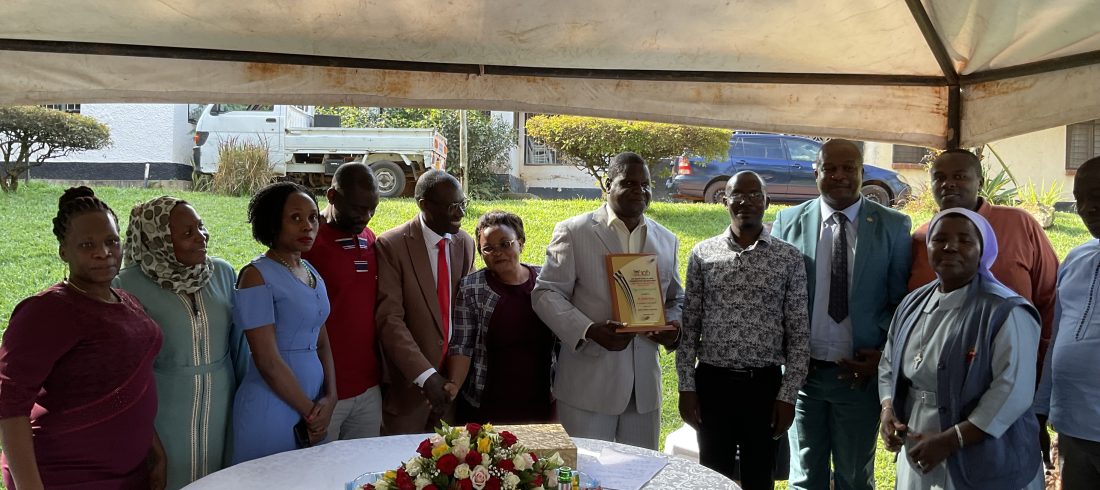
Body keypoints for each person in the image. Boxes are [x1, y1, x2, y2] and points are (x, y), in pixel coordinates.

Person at [0, 186, 165, 488]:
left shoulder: (127, 301)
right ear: (64, 251)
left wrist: (155, 450)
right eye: (87, 245)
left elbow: (134, 381)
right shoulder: (46, 311)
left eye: (111, 241)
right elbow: (9, 406)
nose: (104, 252)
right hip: (66, 475)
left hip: (130, 473)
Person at [770, 139, 911, 490]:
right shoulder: (787, 222)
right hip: (805, 377)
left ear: (862, 172)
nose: (839, 176)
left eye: (849, 168)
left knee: (855, 477)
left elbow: (899, 302)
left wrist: (881, 354)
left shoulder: (893, 226)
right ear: (815, 173)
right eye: (829, 168)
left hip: (858, 378)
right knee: (805, 478)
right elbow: (774, 297)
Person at [879, 207, 1043, 489]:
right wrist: (887, 408)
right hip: (917, 441)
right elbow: (889, 363)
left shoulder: (1005, 311)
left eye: (965, 240)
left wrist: (951, 440)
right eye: (939, 239)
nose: (950, 247)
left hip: (983, 452)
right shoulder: (912, 304)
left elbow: (1012, 390)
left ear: (982, 250)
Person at [532, 152, 684, 450]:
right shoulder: (574, 231)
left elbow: (676, 298)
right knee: (587, 470)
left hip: (643, 392)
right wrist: (588, 330)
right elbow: (546, 293)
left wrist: (673, 328)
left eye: (645, 184)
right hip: (588, 387)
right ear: (607, 184)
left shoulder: (667, 239)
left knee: (639, 471)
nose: (640, 191)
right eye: (629, 183)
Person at [677, 172, 810, 489]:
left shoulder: (788, 258)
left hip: (764, 388)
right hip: (713, 385)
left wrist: (787, 396)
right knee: (713, 477)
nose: (745, 201)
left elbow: (799, 334)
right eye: (737, 194)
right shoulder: (703, 254)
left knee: (760, 478)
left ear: (767, 202)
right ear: (725, 200)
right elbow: (690, 326)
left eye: (754, 195)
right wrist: (686, 387)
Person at [115, 196, 241, 489]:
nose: (201, 236)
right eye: (187, 233)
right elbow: (123, 368)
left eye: (200, 226)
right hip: (163, 410)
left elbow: (240, 345)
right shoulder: (126, 285)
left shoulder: (222, 273)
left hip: (221, 404)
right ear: (157, 240)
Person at [908, 149, 1058, 378]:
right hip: (936, 372)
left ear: (980, 182)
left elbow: (1051, 297)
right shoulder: (922, 238)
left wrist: (1043, 366)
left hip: (1013, 367)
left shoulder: (1020, 224)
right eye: (939, 177)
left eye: (959, 176)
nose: (948, 183)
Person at [231, 182, 337, 463]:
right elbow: (266, 360)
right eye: (295, 218)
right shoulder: (255, 276)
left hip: (313, 406)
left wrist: (331, 396)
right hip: (272, 406)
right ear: (272, 221)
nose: (307, 226)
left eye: (313, 217)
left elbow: (322, 339)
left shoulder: (310, 271)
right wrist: (310, 413)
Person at [375, 170, 475, 434]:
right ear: (424, 205)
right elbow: (390, 320)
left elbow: (465, 315)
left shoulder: (465, 243)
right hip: (409, 391)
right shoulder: (392, 245)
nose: (461, 213)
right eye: (452, 207)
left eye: (463, 204)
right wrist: (425, 376)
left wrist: (454, 381)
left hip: (452, 390)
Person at [444, 210, 556, 424]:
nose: (498, 253)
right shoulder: (471, 288)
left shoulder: (547, 281)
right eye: (488, 248)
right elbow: (462, 345)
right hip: (487, 404)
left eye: (505, 244)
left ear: (520, 244)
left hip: (542, 401)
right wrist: (454, 385)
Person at [302, 163, 384, 441]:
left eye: (372, 209)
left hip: (368, 387)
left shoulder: (369, 238)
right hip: (323, 392)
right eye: (359, 208)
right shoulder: (307, 245)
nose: (367, 216)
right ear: (332, 196)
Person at [1035, 156, 1100, 489]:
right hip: (1072, 427)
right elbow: (1058, 337)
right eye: (1080, 198)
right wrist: (1040, 409)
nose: (1087, 208)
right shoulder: (1076, 259)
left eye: (1097, 196)